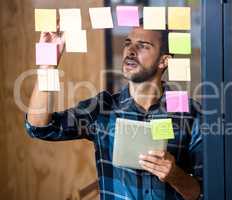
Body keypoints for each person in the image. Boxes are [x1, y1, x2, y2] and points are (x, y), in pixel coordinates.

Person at [25, 19, 203, 200]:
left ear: (163, 61)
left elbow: (203, 193)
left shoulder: (190, 112)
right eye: (128, 44)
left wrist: (175, 175)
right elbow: (39, 127)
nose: (130, 51)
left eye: (143, 46)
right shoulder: (103, 108)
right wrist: (47, 65)